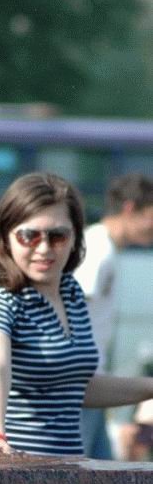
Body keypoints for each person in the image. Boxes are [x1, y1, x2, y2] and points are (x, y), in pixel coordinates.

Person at [0, 172, 153, 458]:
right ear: (6, 237)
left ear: (75, 237)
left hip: (65, 472)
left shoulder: (71, 293)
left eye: (57, 236)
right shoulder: (2, 297)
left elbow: (78, 386)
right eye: (29, 236)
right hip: (10, 471)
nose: (43, 248)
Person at [74, 173, 153, 460]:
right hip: (83, 386)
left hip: (93, 382)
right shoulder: (98, 248)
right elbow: (73, 305)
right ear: (130, 208)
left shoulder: (104, 247)